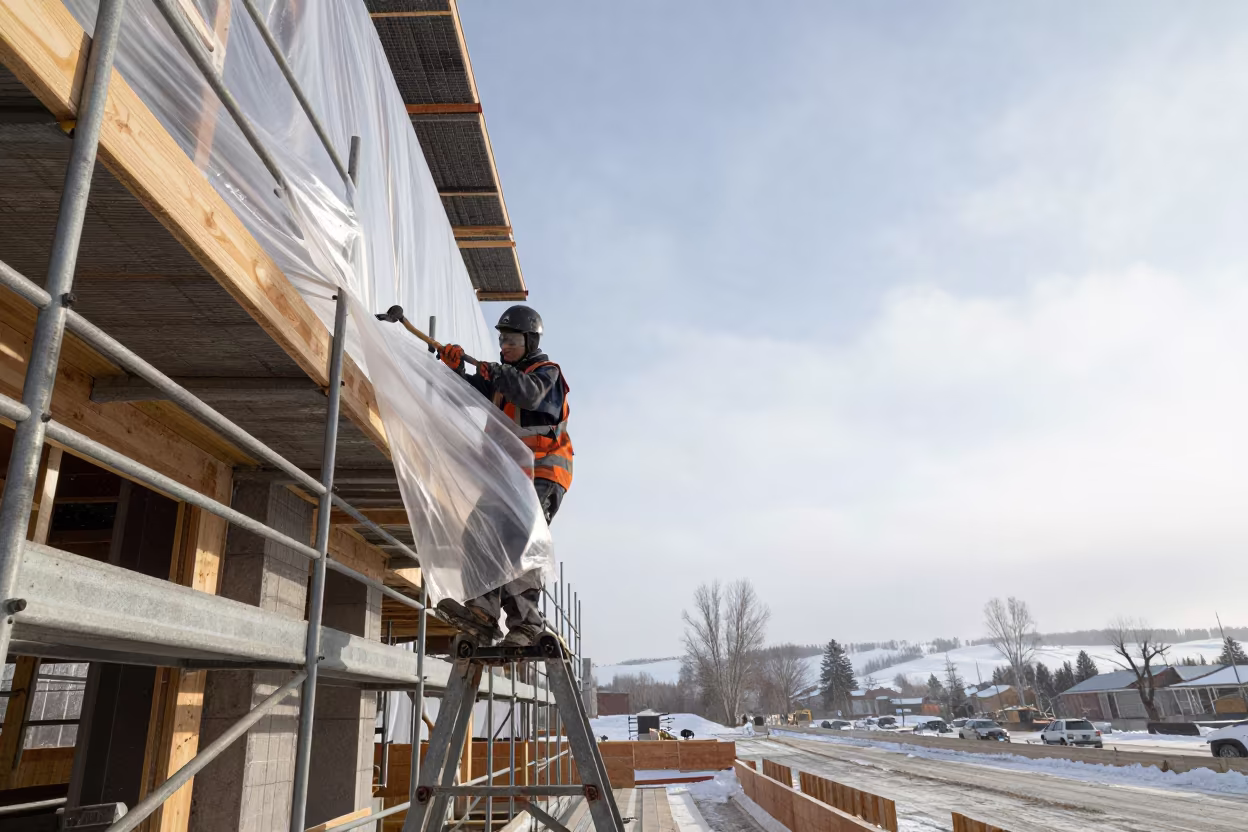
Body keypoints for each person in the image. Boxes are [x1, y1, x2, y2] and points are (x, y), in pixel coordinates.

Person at [434, 305, 573, 647]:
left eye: (511, 339)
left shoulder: (546, 375)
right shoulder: (500, 379)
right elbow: (464, 395)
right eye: (501, 339)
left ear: (530, 340)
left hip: (543, 472)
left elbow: (528, 393)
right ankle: (482, 612)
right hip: (507, 476)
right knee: (478, 532)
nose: (504, 345)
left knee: (520, 540)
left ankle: (526, 624)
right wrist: (453, 370)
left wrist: (494, 372)